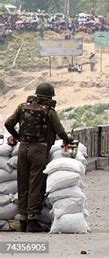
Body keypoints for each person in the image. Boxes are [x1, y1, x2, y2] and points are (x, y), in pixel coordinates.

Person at [4, 83, 73, 232]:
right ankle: (32, 220)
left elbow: (8, 123)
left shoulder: (22, 107)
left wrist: (18, 137)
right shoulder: (49, 111)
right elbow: (59, 131)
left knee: (22, 184)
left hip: (23, 148)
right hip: (39, 150)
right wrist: (68, 140)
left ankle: (22, 219)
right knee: (36, 184)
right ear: (49, 97)